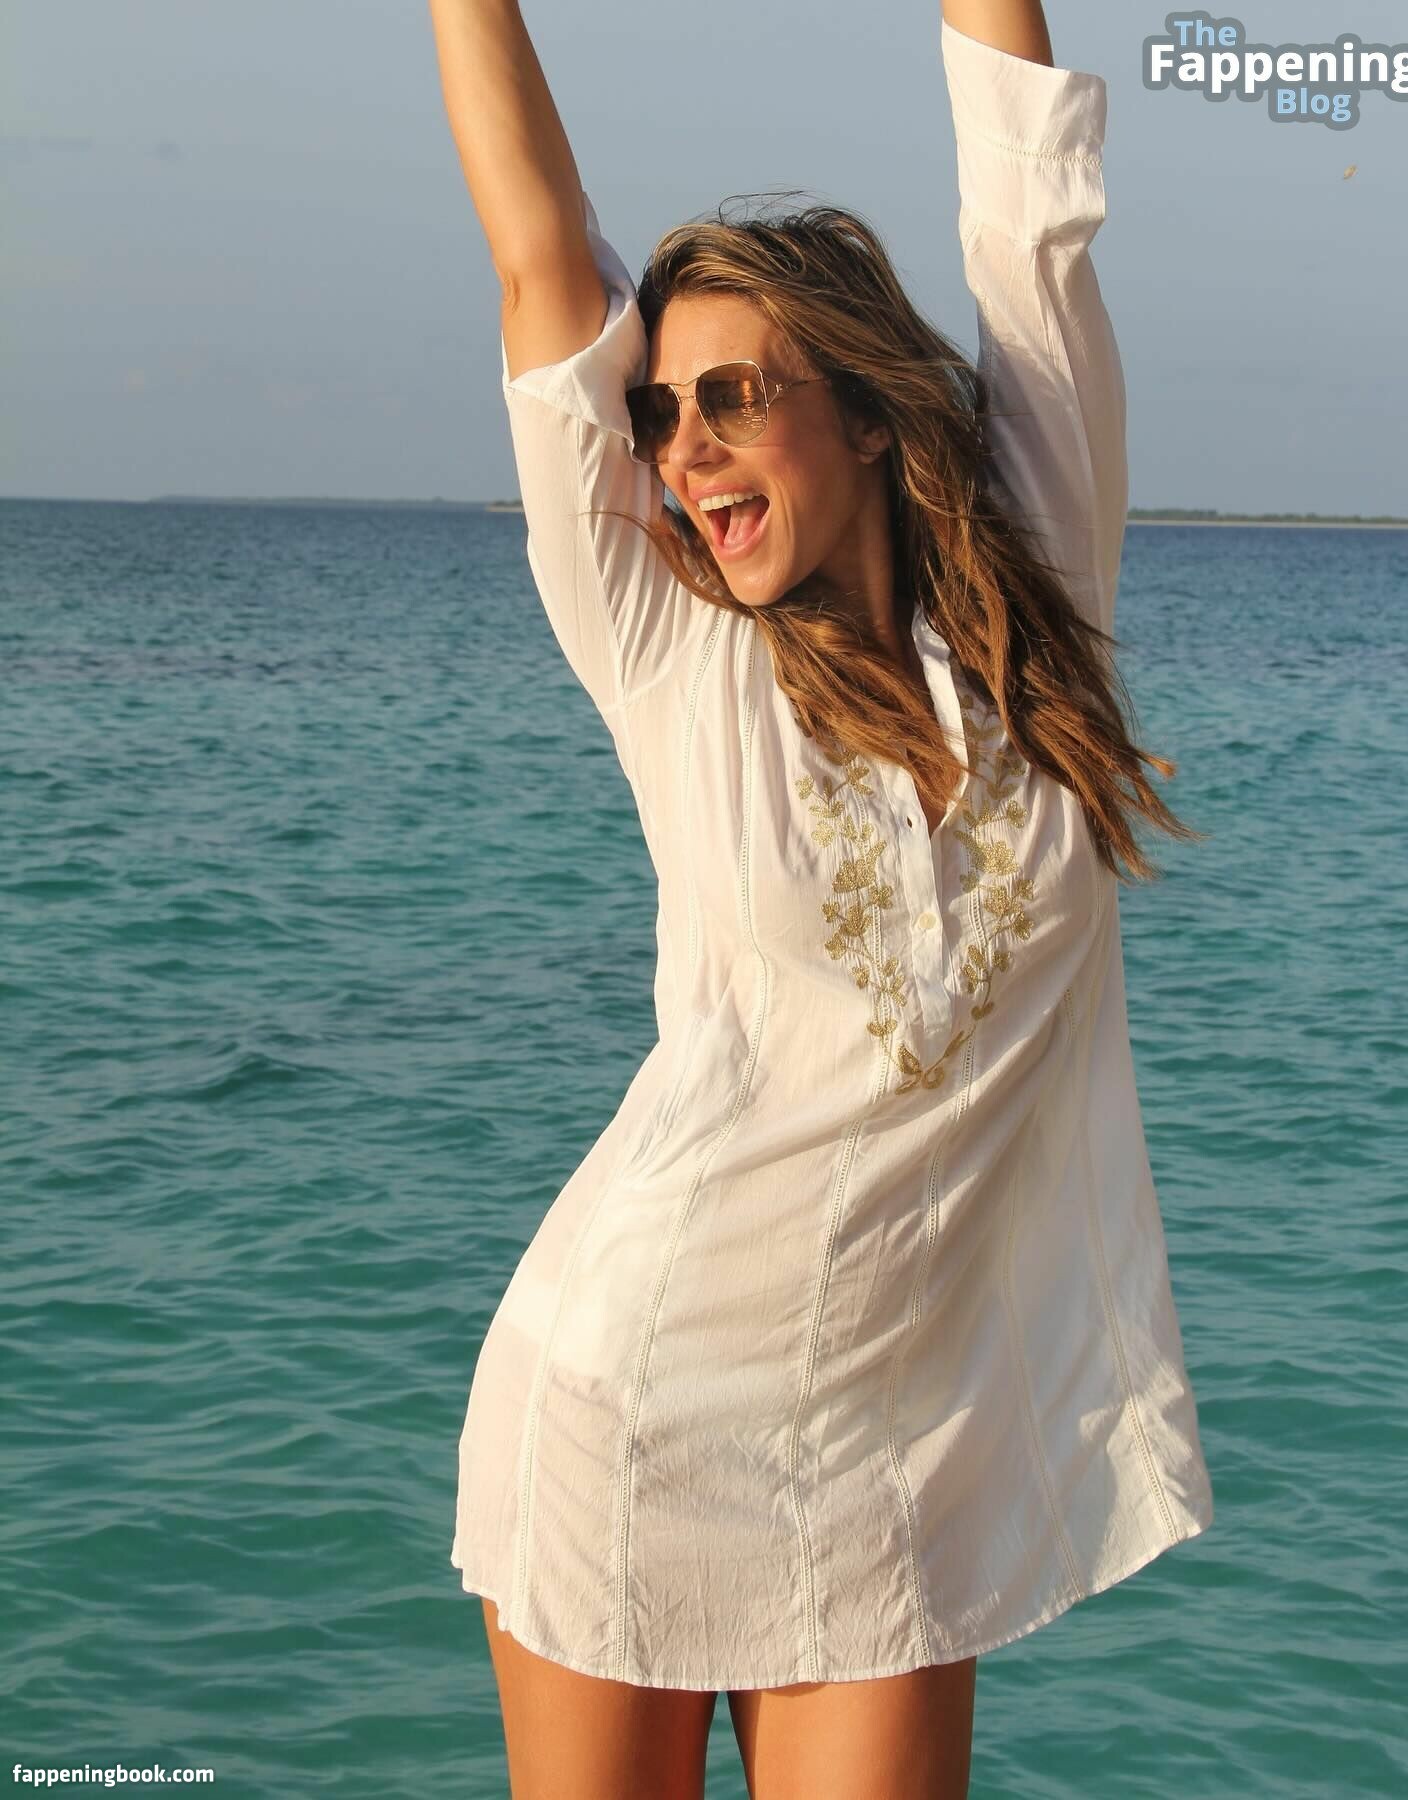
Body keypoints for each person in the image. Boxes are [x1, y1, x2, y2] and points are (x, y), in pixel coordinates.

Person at [428, 0, 1215, 1793]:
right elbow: (539, 252)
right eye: (660, 414)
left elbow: (1024, 184)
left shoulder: (1045, 572)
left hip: (890, 1460)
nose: (686, 449)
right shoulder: (671, 650)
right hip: (627, 1407)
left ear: (862, 411)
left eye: (732, 397)